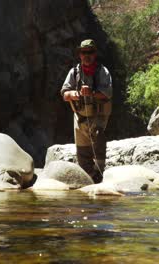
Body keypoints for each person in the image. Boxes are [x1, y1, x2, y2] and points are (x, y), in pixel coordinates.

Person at [60, 39, 112, 183]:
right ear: (80, 54)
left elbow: (107, 93)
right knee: (83, 156)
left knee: (98, 141)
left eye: (90, 52)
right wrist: (75, 94)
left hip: (98, 116)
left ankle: (100, 176)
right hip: (80, 117)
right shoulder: (74, 72)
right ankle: (88, 182)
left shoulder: (103, 71)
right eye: (84, 52)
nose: (87, 55)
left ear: (95, 54)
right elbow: (64, 94)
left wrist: (92, 93)